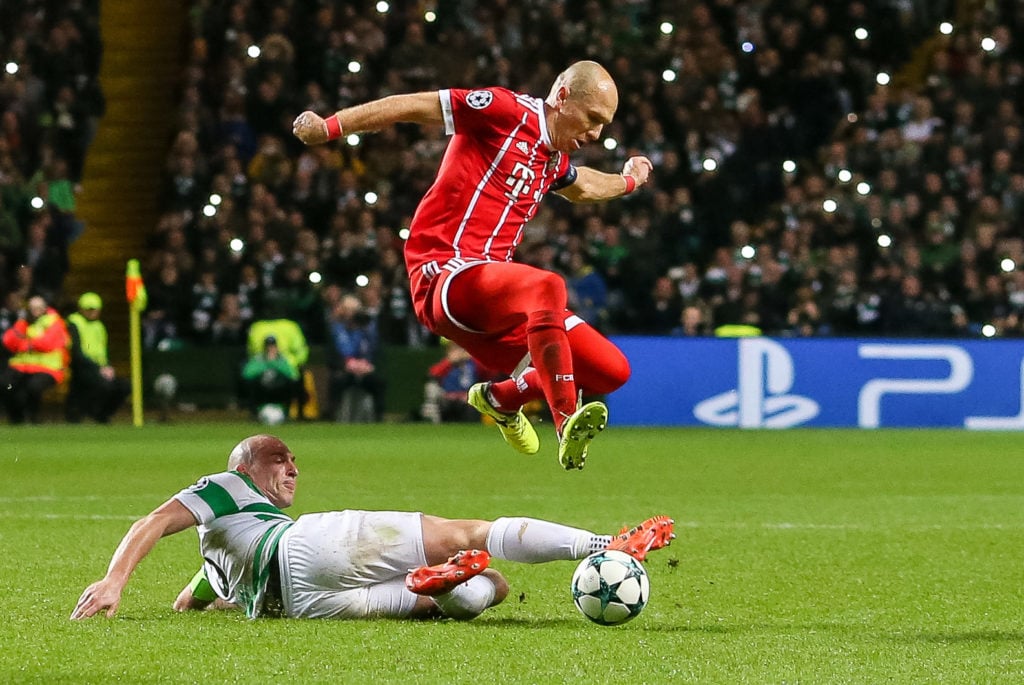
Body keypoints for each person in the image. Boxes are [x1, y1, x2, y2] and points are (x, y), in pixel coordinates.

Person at [293, 60, 653, 470]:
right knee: (548, 286)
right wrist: (329, 127)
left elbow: (585, 186)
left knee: (610, 370)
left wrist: (629, 181)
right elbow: (414, 105)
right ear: (563, 96)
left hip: (487, 296)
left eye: (603, 125)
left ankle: (501, 398)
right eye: (591, 119)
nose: (595, 134)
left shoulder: (551, 158)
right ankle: (565, 420)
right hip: (443, 274)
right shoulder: (503, 111)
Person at [71, 434, 675, 621]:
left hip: (305, 606)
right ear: (247, 466)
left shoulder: (223, 551)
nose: (292, 469)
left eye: (295, 462)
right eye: (280, 459)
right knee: (467, 532)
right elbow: (155, 520)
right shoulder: (229, 487)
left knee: (487, 590)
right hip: (308, 549)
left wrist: (206, 598)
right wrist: (114, 580)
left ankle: (443, 585)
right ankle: (603, 544)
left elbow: (189, 601)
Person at [0, 294, 70, 424]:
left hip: (48, 368)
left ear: (45, 308)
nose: (34, 311)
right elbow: (8, 341)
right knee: (5, 384)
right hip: (22, 366)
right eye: (31, 308)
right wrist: (21, 323)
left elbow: (47, 343)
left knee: (32, 387)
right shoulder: (24, 322)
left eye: (38, 308)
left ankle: (33, 418)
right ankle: (16, 418)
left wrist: (24, 344)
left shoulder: (55, 321)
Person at [65, 292, 131, 423]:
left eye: (94, 309)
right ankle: (87, 411)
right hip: (82, 367)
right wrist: (98, 368)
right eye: (89, 309)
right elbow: (76, 352)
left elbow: (103, 350)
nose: (92, 312)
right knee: (103, 385)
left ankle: (102, 414)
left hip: (99, 367)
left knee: (125, 386)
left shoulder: (99, 326)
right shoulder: (74, 323)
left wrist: (107, 366)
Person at [240, 335, 300, 419]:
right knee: (250, 385)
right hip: (262, 388)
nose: (271, 348)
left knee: (292, 385)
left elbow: (293, 375)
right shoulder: (258, 359)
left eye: (273, 346)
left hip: (279, 388)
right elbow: (247, 374)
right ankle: (255, 414)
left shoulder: (282, 360)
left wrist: (274, 363)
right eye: (268, 346)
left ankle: (286, 413)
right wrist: (266, 364)